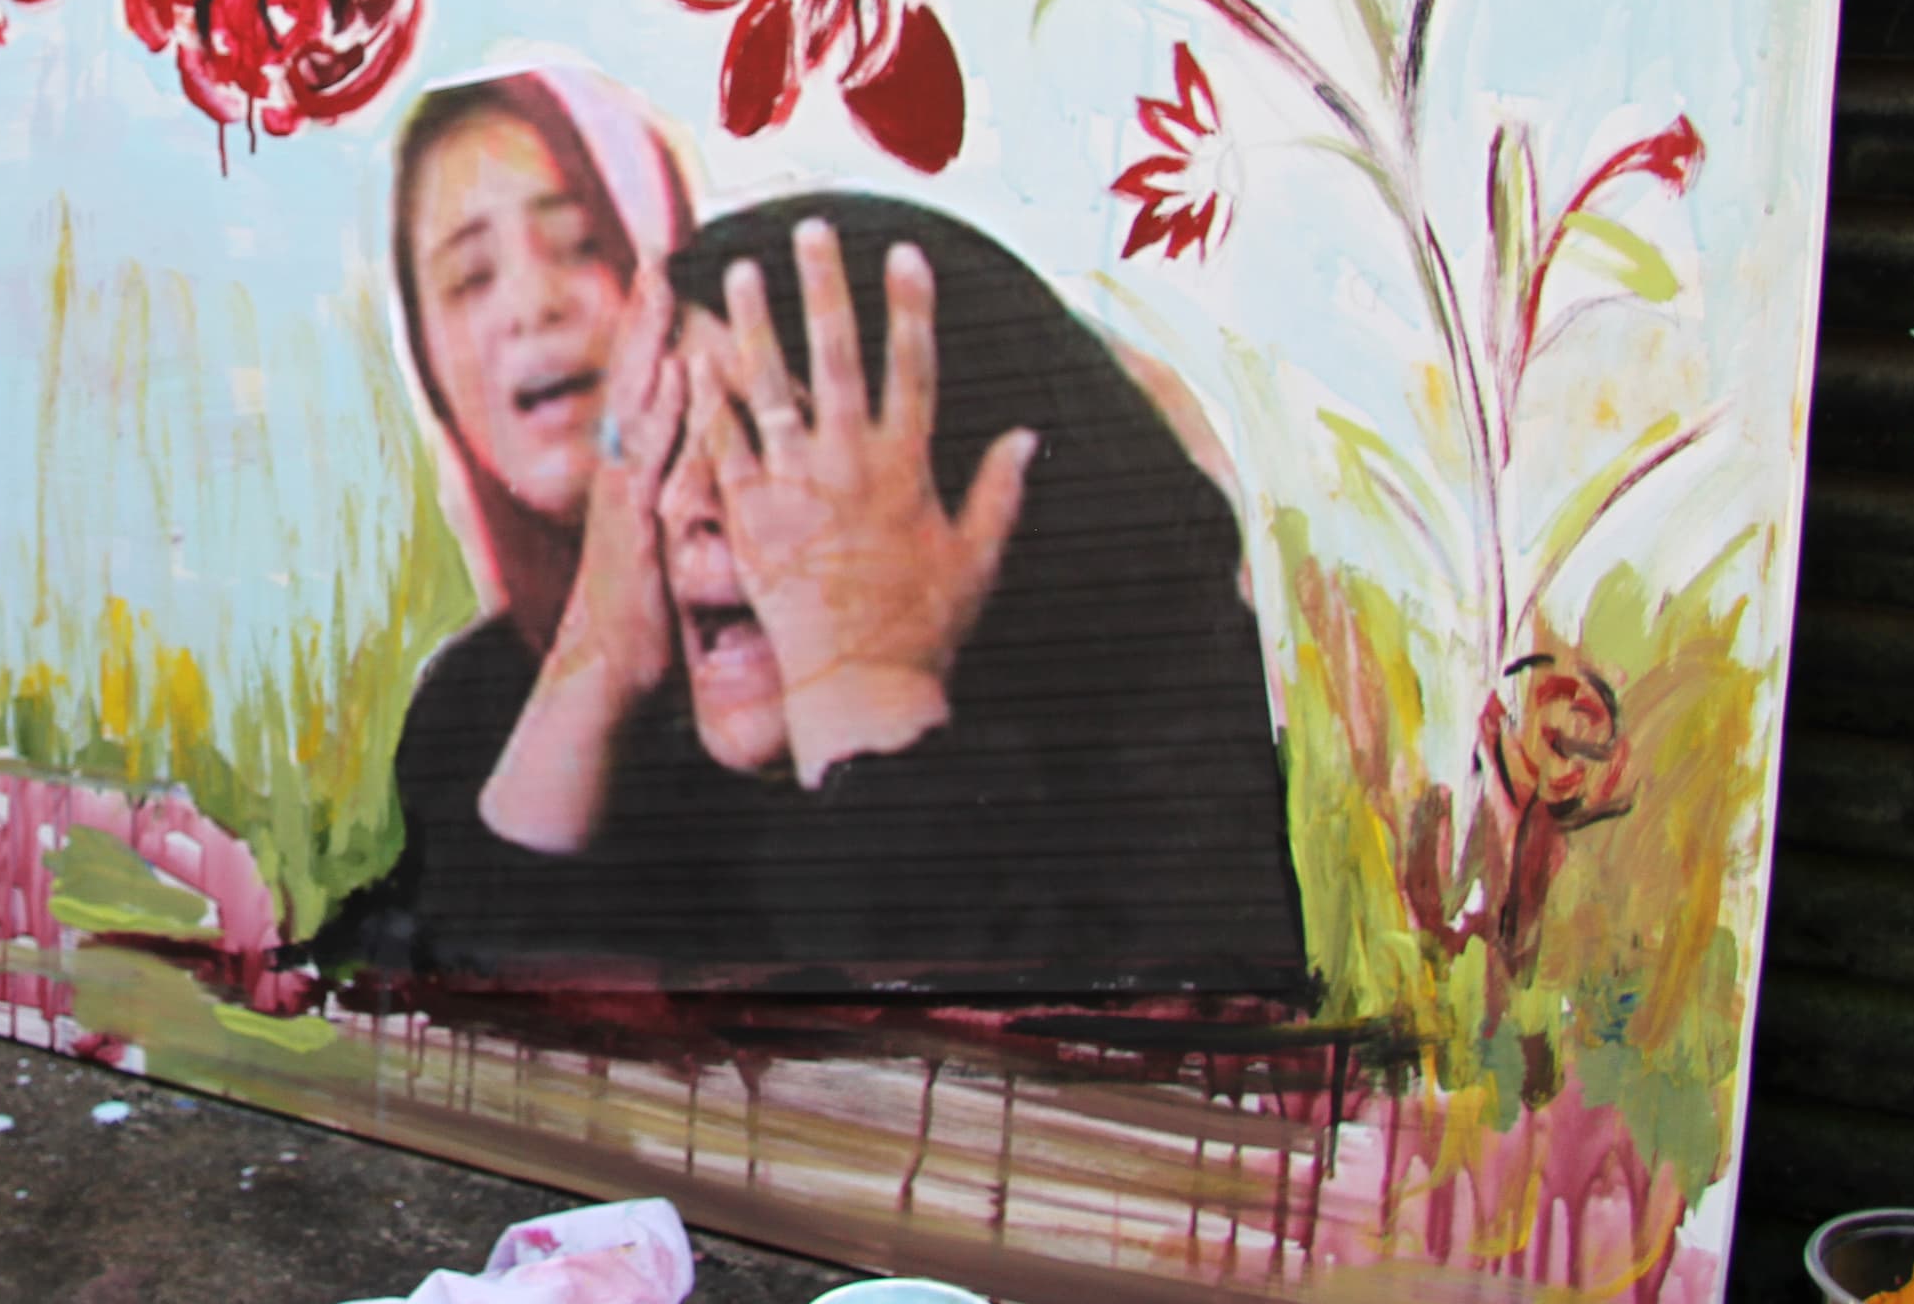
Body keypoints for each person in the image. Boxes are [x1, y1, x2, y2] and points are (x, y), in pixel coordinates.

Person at [349, 115, 1309, 997]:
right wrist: (588, 676)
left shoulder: (1207, 783)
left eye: (775, 439)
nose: (687, 507)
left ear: (989, 487)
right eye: (661, 442)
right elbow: (449, 1040)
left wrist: (869, 687)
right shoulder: (560, 726)